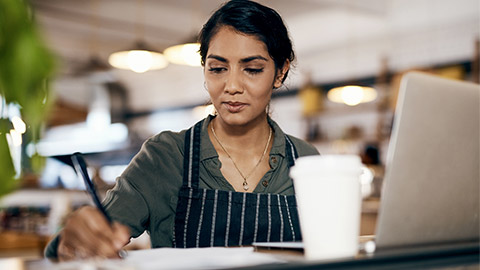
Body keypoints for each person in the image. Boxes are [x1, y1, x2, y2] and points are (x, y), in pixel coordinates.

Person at [45, 0, 319, 260]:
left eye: (253, 69)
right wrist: (74, 241)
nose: (232, 85)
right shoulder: (165, 156)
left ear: (280, 72)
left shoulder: (307, 161)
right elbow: (78, 246)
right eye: (218, 68)